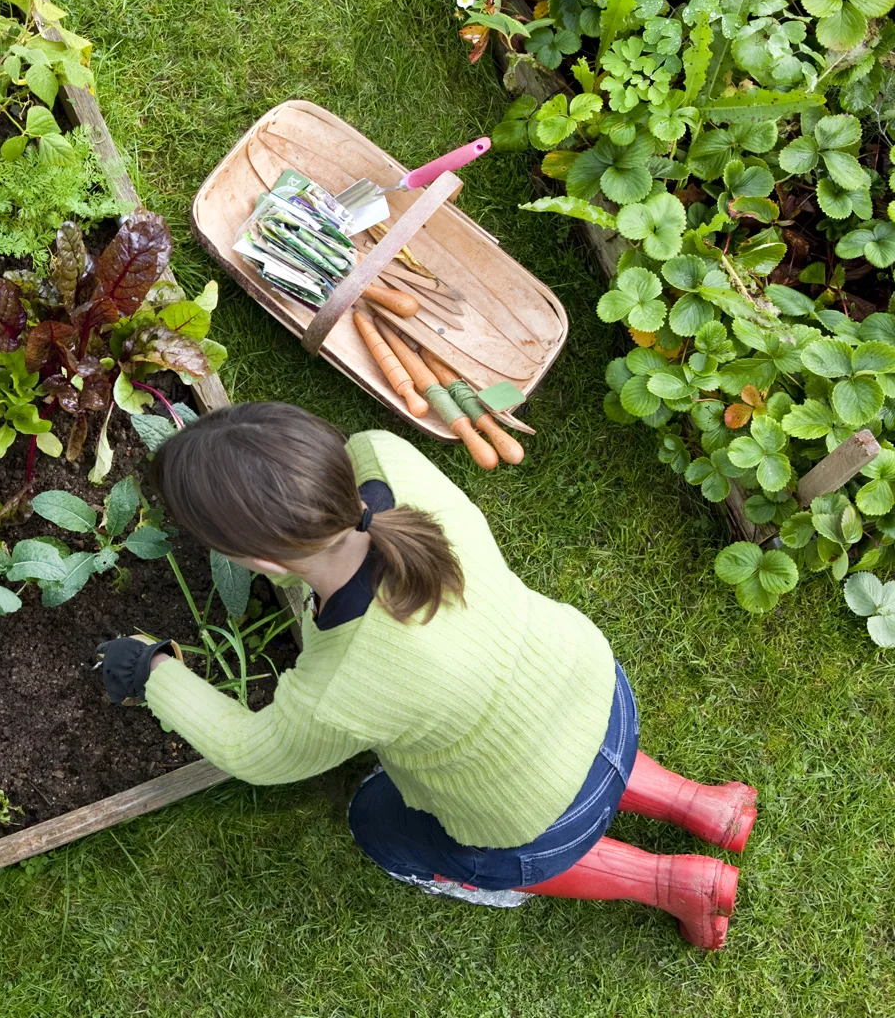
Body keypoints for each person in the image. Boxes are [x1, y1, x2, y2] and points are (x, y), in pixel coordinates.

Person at [97, 402, 756, 948]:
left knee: (377, 822)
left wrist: (152, 671)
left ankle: (671, 883)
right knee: (554, 744)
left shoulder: (341, 685)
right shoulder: (385, 457)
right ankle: (705, 806)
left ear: (256, 559)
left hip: (531, 816)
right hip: (596, 691)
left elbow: (255, 752)